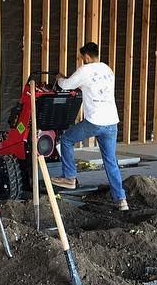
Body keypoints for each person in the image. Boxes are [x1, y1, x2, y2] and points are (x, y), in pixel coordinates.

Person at [52, 42, 128, 211]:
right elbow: (94, 87)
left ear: (86, 57)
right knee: (110, 161)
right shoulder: (108, 70)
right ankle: (121, 199)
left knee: (66, 139)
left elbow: (65, 85)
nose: (82, 61)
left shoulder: (84, 70)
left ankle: (70, 178)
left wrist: (59, 79)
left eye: (82, 58)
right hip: (112, 121)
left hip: (95, 121)